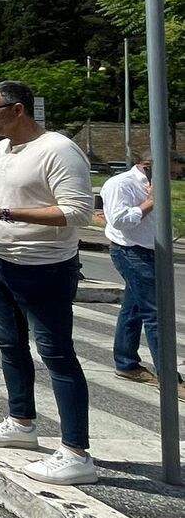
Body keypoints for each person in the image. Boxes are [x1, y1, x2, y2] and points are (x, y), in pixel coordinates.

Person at [0, 80, 98, 485]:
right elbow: (1, 200)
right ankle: (21, 422)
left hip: (44, 267)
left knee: (57, 354)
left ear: (18, 109)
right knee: (10, 345)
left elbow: (78, 213)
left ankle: (76, 452)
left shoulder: (57, 150)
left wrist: (4, 214)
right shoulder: (0, 148)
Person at [101, 153, 184, 388]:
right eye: (171, 172)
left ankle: (126, 364)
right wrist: (151, 202)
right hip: (130, 252)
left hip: (150, 252)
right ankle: (169, 380)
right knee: (157, 314)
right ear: (148, 166)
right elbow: (119, 221)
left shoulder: (154, 183)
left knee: (134, 308)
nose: (173, 177)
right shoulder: (120, 184)